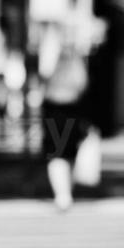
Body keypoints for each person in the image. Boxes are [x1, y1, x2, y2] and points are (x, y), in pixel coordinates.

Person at [38, 18, 93, 211]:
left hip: (57, 103)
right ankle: (65, 193)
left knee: (58, 150)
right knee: (65, 149)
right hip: (71, 103)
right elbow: (83, 80)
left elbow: (45, 70)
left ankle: (63, 194)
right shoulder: (75, 52)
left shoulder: (56, 48)